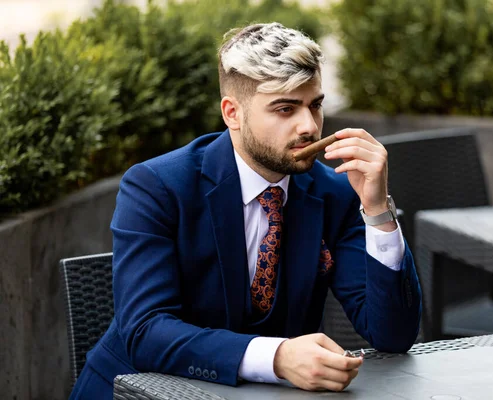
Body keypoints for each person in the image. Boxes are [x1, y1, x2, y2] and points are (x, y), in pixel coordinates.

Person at [69, 22, 422, 399]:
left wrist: (377, 210)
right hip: (136, 390)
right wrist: (277, 356)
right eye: (285, 109)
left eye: (314, 105)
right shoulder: (157, 187)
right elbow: (145, 332)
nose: (309, 126)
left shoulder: (335, 191)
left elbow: (393, 335)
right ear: (232, 113)